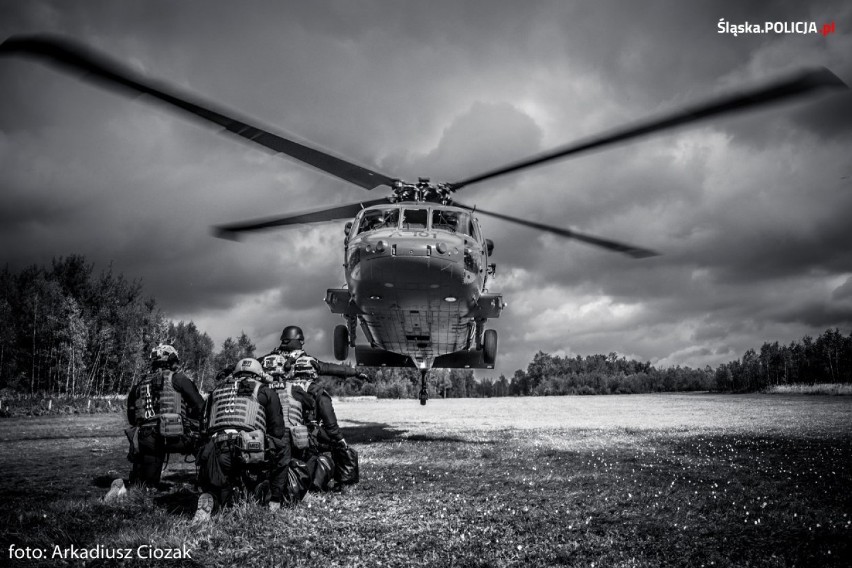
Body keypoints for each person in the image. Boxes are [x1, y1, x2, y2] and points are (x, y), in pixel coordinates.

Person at [193, 358, 306, 521]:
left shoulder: (215, 392)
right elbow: (278, 430)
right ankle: (274, 500)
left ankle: (210, 497)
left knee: (220, 491)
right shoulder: (265, 391)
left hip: (217, 450)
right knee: (284, 447)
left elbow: (203, 427)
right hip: (249, 450)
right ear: (258, 374)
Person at [264, 325, 366, 491]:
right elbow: (331, 369)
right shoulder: (314, 390)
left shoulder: (270, 380)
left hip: (272, 437)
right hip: (304, 437)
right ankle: (337, 482)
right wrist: (355, 373)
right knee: (336, 444)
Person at [105, 344, 205, 502]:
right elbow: (200, 406)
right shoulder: (178, 378)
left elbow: (132, 417)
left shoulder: (139, 384)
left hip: (146, 441)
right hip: (175, 437)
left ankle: (122, 488)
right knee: (205, 442)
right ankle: (205, 483)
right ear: (172, 360)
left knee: (145, 486)